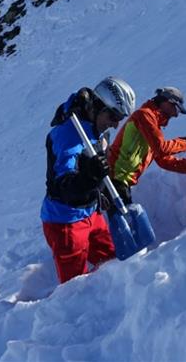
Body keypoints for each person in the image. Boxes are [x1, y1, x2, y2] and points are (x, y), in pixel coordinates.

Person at [41, 76, 136, 283]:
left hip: (92, 212)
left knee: (111, 264)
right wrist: (89, 177)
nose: (115, 124)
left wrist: (104, 189)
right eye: (113, 116)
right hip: (66, 221)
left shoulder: (97, 129)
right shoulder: (68, 136)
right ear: (98, 106)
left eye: (120, 118)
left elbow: (98, 168)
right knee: (75, 286)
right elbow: (64, 186)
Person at [107, 86, 186, 205]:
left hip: (121, 181)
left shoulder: (153, 125)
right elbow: (161, 148)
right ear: (167, 102)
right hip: (114, 178)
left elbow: (162, 160)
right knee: (125, 216)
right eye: (176, 109)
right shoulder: (144, 115)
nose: (176, 115)